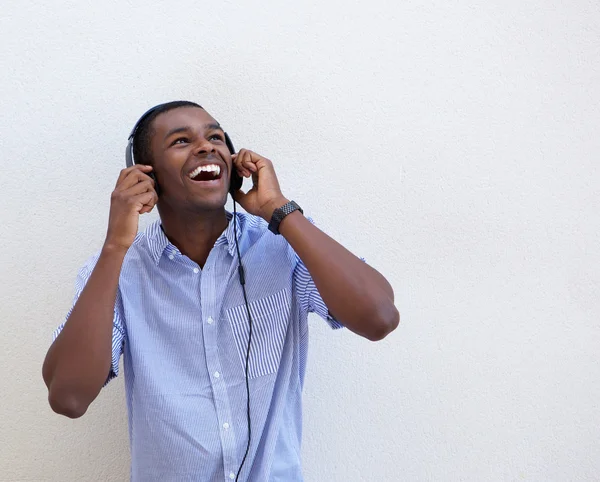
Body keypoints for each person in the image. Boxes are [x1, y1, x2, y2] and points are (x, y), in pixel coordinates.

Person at [42, 100, 399, 481]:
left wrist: (279, 209)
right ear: (146, 176)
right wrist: (115, 245)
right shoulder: (118, 271)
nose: (207, 146)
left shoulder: (283, 245)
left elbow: (379, 318)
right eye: (181, 141)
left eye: (215, 137)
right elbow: (69, 397)